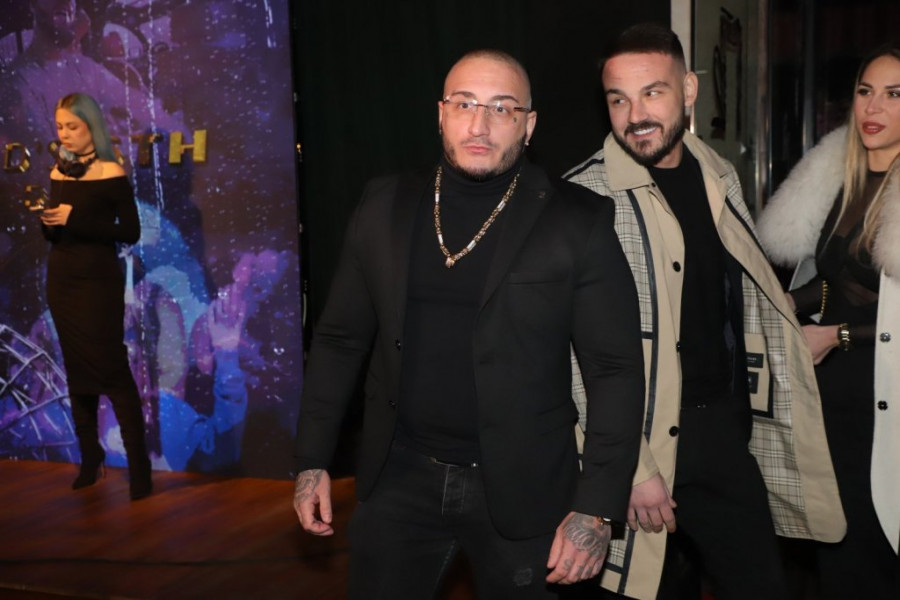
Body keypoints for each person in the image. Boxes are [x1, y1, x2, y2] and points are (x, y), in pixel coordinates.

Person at [292, 49, 646, 598]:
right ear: (441, 114)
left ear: (528, 125)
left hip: (527, 488)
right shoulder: (383, 204)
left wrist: (596, 509)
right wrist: (313, 458)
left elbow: (615, 369)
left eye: (502, 108)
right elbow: (340, 340)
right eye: (464, 104)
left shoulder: (578, 219)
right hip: (398, 479)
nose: (479, 125)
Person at [564, 23, 845, 600]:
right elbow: (573, 355)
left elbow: (740, 299)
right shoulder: (584, 197)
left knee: (761, 583)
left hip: (720, 427)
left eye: (652, 92)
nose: (635, 115)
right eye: (618, 99)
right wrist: (630, 465)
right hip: (640, 437)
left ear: (689, 90)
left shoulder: (718, 174)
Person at [757, 41, 900, 599]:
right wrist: (786, 303)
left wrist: (836, 335)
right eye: (866, 91)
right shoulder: (844, 182)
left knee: (879, 542)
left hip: (884, 394)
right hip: (830, 394)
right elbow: (836, 284)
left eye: (894, 94)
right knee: (836, 542)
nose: (873, 107)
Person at [34, 92, 152, 500]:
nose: (64, 134)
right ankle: (90, 457)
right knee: (77, 370)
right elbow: (57, 233)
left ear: (92, 127)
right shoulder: (59, 171)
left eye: (73, 126)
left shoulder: (110, 171)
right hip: (62, 279)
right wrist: (50, 223)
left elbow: (130, 232)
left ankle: (139, 467)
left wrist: (76, 218)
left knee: (113, 371)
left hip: (98, 283)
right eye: (60, 127)